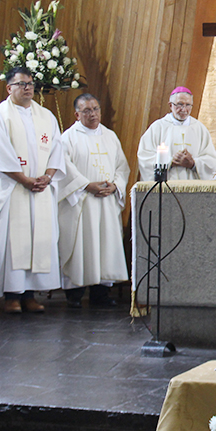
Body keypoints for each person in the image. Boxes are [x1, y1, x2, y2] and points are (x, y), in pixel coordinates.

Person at [0, 67, 65, 313]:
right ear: (9, 88)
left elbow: (57, 150)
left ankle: (30, 295)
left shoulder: (46, 116)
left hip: (39, 189)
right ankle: (11, 296)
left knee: (38, 239)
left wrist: (47, 177)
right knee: (14, 241)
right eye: (21, 84)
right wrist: (25, 180)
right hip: (13, 190)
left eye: (30, 83)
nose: (28, 88)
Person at [57, 94, 130, 308]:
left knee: (104, 245)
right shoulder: (68, 138)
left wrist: (116, 185)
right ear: (77, 114)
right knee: (82, 244)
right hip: (81, 201)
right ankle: (75, 293)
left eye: (95, 109)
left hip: (106, 201)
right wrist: (86, 185)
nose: (92, 114)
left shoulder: (110, 136)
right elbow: (65, 168)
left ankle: (101, 294)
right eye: (87, 110)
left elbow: (121, 166)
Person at [136, 87, 216, 181]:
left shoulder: (199, 128)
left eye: (188, 105)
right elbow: (145, 157)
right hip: (165, 187)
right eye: (179, 104)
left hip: (192, 188)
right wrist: (170, 161)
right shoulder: (158, 127)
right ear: (170, 105)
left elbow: (211, 160)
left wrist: (193, 163)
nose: (184, 109)